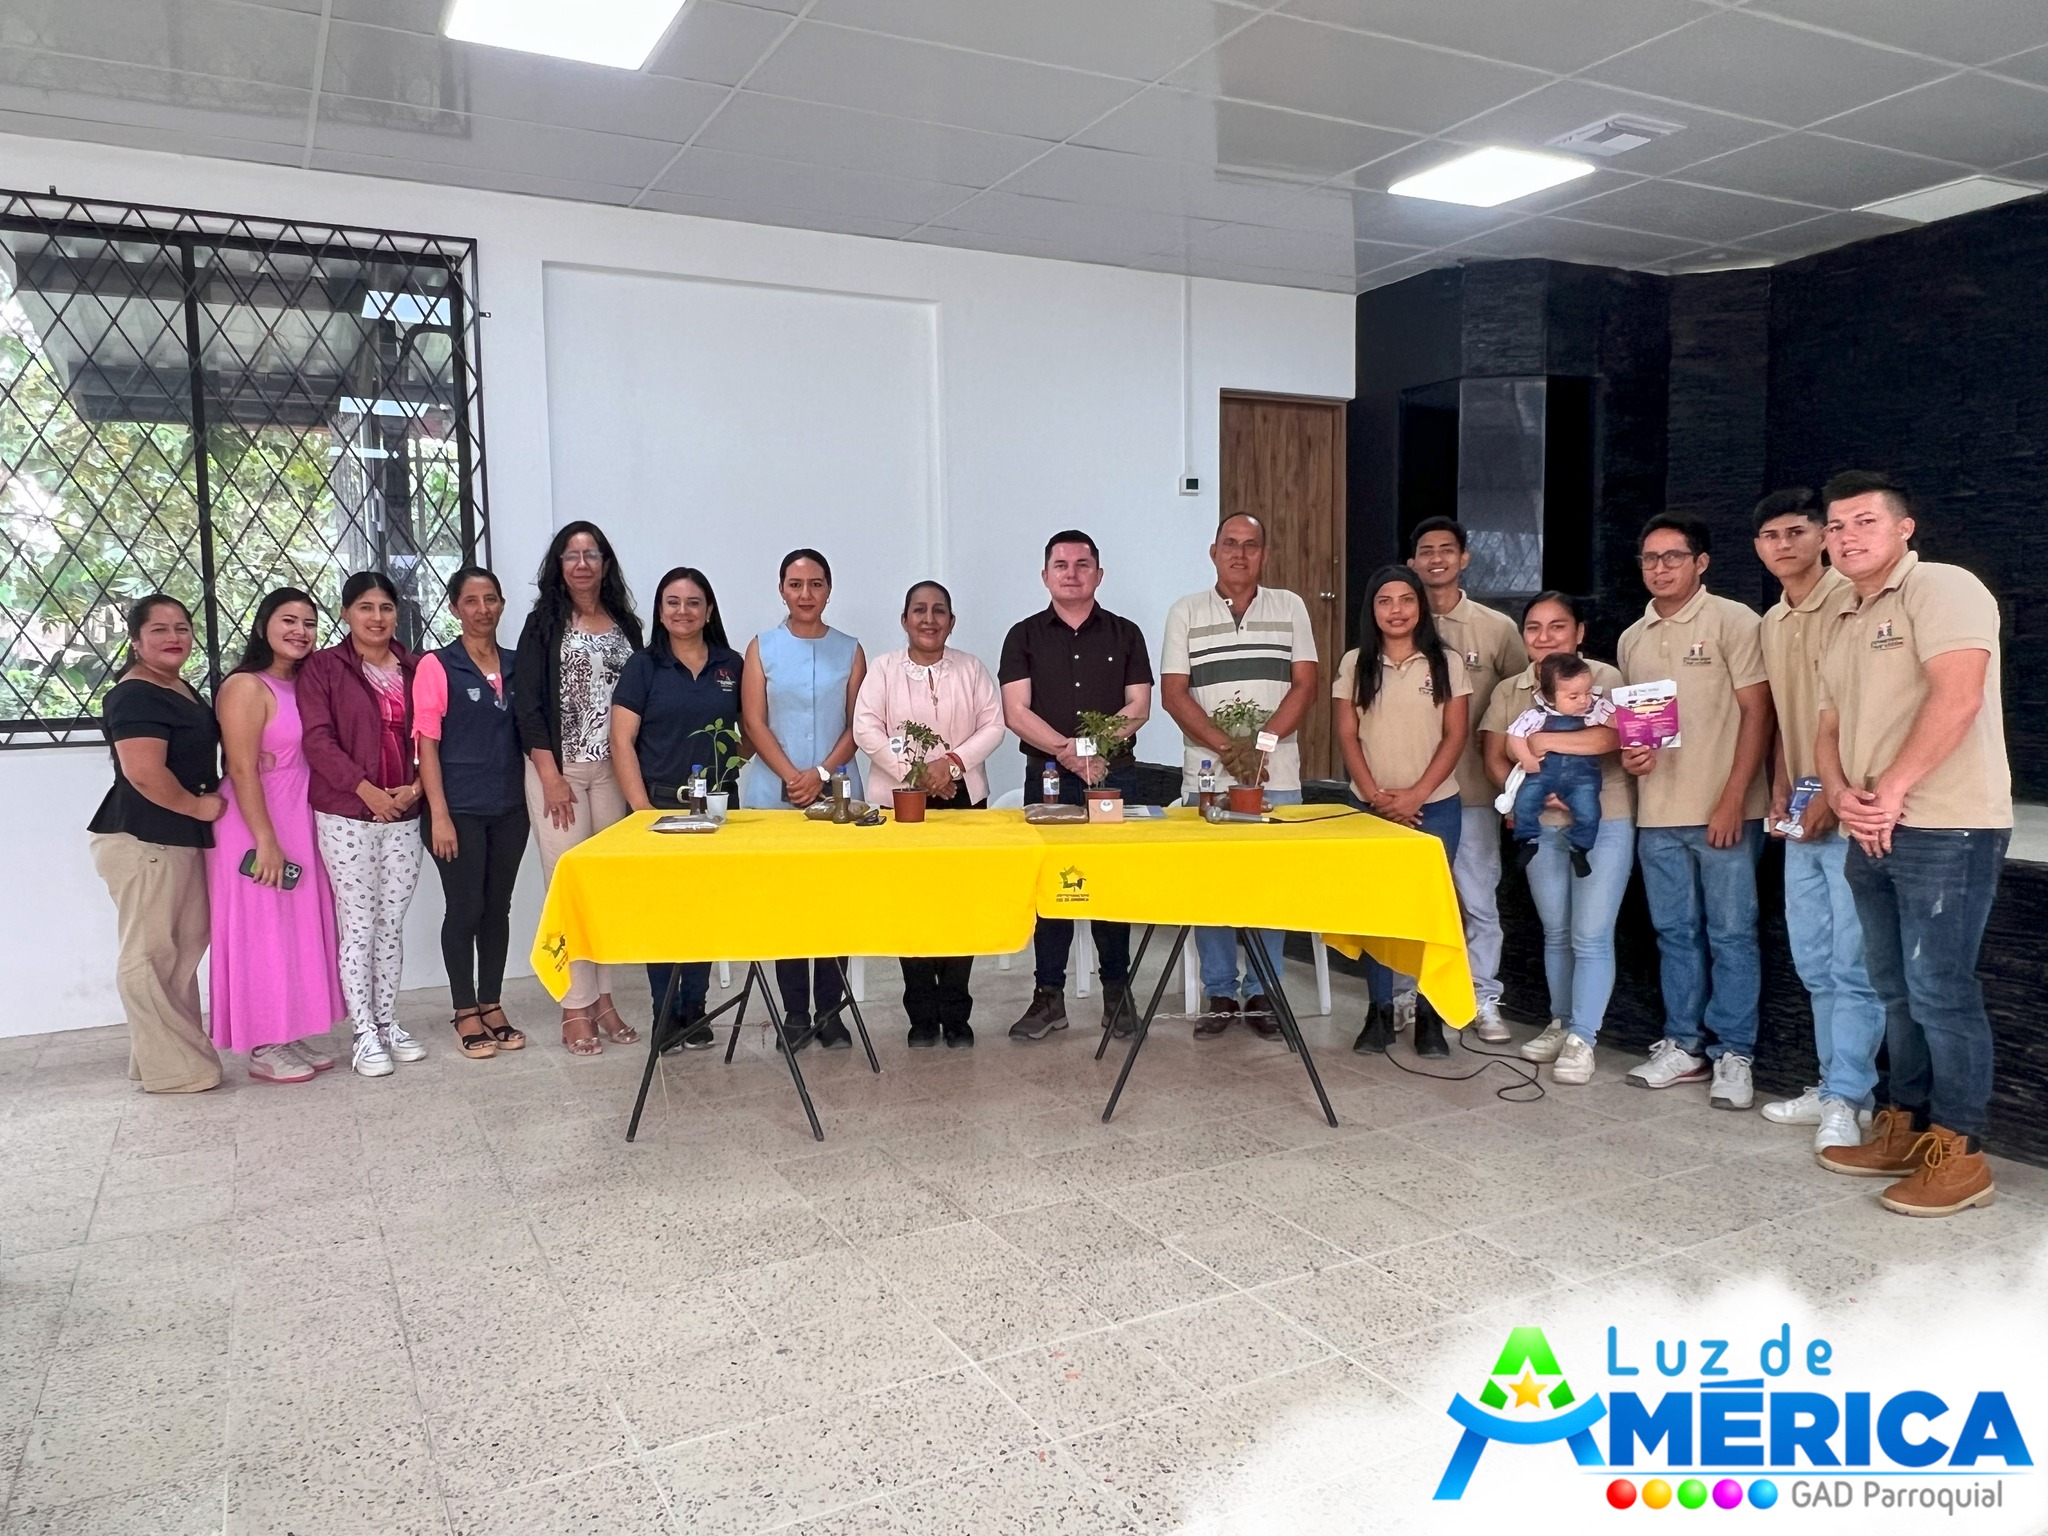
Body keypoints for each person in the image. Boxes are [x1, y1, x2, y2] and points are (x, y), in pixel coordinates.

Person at [1813, 472, 2010, 1217]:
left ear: (1904, 528)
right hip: (1871, 824)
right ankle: (1906, 1125)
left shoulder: (1943, 587)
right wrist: (1840, 794)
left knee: (1940, 990)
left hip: (1945, 824)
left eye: (1864, 521)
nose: (1847, 536)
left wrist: (1891, 790)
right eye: (1836, 526)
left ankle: (1960, 1153)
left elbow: (1958, 695)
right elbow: (1828, 726)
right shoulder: (1843, 615)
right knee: (1893, 988)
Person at [1617, 516, 1773, 1110]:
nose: (1660, 569)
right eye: (1650, 558)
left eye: (1673, 557)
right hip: (1657, 813)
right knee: (1674, 933)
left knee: (1731, 934)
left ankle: (1734, 1053)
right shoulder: (1632, 637)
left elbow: (1759, 713)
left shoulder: (1734, 621)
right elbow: (1638, 730)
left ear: (1701, 562)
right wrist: (1632, 757)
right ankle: (1683, 1044)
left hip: (1724, 812)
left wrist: (1734, 798)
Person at [1751, 488, 1882, 1152]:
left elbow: (1863, 712)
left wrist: (1833, 795)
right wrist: (1780, 791)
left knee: (1854, 965)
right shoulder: (1773, 620)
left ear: (1823, 539)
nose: (1785, 545)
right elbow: (1784, 714)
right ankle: (1834, 1085)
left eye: (1798, 532)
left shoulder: (1852, 603)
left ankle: (1850, 1098)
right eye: (1771, 536)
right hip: (1801, 809)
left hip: (1854, 808)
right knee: (1815, 962)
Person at [1160, 514, 1319, 1039]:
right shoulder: (1185, 611)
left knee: (1270, 889)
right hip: (1207, 776)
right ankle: (1221, 991)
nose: (1240, 554)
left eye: (1251, 545)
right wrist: (1230, 749)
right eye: (1230, 544)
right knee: (1213, 888)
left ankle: (1264, 992)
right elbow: (1174, 694)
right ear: (1213, 552)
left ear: (1264, 554)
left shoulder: (1290, 607)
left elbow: (1304, 685)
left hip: (1278, 775)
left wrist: (1262, 746)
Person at [998, 530, 1154, 1042]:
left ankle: (1117, 995)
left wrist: (1095, 749)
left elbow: (1139, 706)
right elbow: (1015, 712)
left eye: (1082, 564)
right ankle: (1048, 997)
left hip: (1113, 775)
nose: (1072, 573)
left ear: (1099, 574)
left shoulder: (1126, 633)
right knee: (1052, 886)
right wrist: (1069, 751)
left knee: (1110, 884)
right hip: (1047, 778)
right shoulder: (1023, 636)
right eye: (1061, 565)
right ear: (1045, 576)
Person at [1481, 593, 1634, 1087]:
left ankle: (1583, 1037)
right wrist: (1527, 791)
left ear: (1579, 632)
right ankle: (1560, 1021)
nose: (1544, 637)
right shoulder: (1512, 688)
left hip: (1605, 818)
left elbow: (1614, 737)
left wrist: (1544, 742)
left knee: (1591, 934)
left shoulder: (1604, 677)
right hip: (1542, 824)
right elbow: (1495, 755)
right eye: (1533, 627)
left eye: (1558, 626)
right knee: (1557, 931)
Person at [853, 581, 1005, 1048]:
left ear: (951, 622)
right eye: (919, 610)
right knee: (911, 906)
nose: (929, 619)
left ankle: (956, 1013)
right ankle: (920, 1015)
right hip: (901, 801)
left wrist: (951, 764)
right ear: (904, 620)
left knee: (960, 907)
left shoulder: (971, 668)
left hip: (964, 800)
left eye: (939, 611)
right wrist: (917, 772)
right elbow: (865, 728)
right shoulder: (883, 670)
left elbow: (994, 725)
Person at [513, 521, 645, 1057]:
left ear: (605, 563)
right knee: (568, 889)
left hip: (613, 772)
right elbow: (527, 704)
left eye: (592, 554)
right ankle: (574, 1005)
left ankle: (604, 1001)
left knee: (604, 888)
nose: (582, 564)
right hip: (558, 773)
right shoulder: (543, 624)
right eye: (572, 555)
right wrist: (549, 777)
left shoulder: (626, 625)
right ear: (559, 565)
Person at [86, 595, 225, 1094]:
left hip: (175, 838)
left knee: (180, 952)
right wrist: (195, 806)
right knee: (148, 955)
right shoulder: (135, 695)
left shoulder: (177, 686)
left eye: (182, 628)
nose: (173, 637)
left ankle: (160, 1059)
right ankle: (176, 1070)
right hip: (144, 838)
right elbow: (143, 771)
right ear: (135, 640)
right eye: (160, 629)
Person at [207, 588, 346, 1084]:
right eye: (289, 620)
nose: (300, 631)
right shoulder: (246, 686)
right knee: (262, 929)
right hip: (255, 821)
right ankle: (263, 1044)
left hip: (298, 814)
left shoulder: (305, 682)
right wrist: (264, 840)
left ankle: (286, 1031)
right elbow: (242, 768)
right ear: (264, 624)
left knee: (294, 927)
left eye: (309, 623)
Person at [1333, 565, 1470, 1058]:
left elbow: (1456, 735)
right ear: (1372, 610)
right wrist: (1374, 796)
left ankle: (1430, 1017)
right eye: (1385, 601)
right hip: (1369, 808)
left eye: (1406, 599)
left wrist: (1415, 796)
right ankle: (1379, 1011)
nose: (1396, 610)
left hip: (1435, 807)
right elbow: (1347, 734)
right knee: (1378, 910)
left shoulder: (1446, 662)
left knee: (1430, 912)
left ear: (1420, 606)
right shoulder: (1355, 663)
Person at [299, 571, 426, 1079]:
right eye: (366, 607)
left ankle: (388, 1022)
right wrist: (366, 789)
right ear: (346, 613)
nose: (377, 617)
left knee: (391, 923)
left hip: (405, 813)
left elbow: (432, 736)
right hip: (347, 814)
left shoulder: (416, 668)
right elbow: (317, 739)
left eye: (386, 608)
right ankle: (363, 1032)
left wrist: (416, 788)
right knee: (359, 924)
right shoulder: (324, 668)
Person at [738, 549, 866, 1051]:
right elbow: (754, 722)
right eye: (795, 584)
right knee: (787, 904)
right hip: (775, 793)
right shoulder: (762, 648)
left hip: (837, 794)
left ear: (829, 590)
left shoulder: (850, 650)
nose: (805, 594)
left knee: (835, 903)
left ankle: (831, 1012)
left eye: (815, 584)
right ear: (781, 590)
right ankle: (794, 1014)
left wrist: (820, 774)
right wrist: (794, 776)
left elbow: (858, 725)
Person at [613, 566, 744, 1054]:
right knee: (663, 915)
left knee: (703, 911)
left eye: (693, 602)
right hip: (660, 808)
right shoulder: (643, 666)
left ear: (708, 611)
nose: (683, 611)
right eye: (673, 602)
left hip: (718, 811)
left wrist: (732, 765)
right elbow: (621, 741)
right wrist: (642, 810)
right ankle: (664, 1012)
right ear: (660, 610)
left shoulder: (731, 665)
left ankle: (696, 1008)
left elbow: (751, 730)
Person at [1408, 517, 1527, 1042]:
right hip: (1411, 795)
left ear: (1464, 558)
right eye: (1426, 551)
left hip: (1476, 791)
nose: (1436, 559)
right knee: (1412, 902)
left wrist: (1515, 782)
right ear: (1412, 563)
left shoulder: (1496, 628)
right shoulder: (1399, 622)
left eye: (1446, 550)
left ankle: (1482, 997)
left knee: (1478, 900)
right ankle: (1408, 998)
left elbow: (1524, 702)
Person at [415, 566, 528, 1061]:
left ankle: (491, 1003)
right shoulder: (438, 666)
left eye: (491, 599)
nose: (483, 609)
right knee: (465, 908)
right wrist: (438, 814)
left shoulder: (517, 664)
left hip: (510, 809)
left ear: (502, 603)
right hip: (457, 810)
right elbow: (426, 745)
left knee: (497, 908)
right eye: (471, 601)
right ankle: (465, 1010)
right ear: (455, 608)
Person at [1503, 653, 1613, 876]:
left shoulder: (1595, 709)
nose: (1583, 700)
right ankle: (1527, 839)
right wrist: (1527, 759)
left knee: (1590, 812)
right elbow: (1515, 734)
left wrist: (1637, 726)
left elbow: (1618, 722)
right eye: (1573, 696)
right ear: (1550, 697)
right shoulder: (1536, 715)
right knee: (1525, 801)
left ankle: (1580, 847)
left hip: (1583, 779)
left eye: (1588, 692)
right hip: (1543, 773)